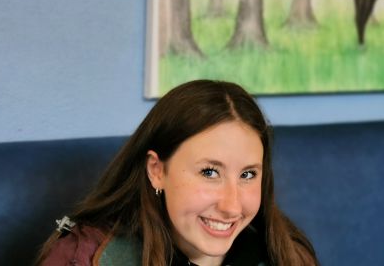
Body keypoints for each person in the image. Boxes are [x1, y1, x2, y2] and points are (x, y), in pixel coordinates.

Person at [36, 79, 317, 266]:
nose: (232, 206)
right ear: (157, 171)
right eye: (209, 172)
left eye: (247, 175)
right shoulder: (86, 257)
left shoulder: (288, 256)